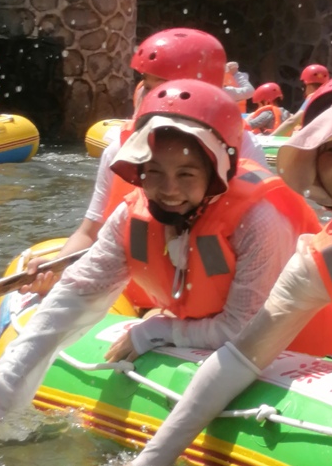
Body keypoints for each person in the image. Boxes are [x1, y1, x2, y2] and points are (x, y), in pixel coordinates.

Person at [0, 78, 320, 438]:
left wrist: (155, 331)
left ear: (216, 171)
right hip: (210, 335)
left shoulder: (259, 220)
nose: (169, 190)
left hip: (305, 355)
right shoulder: (131, 216)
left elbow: (244, 333)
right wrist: (1, 383)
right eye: (154, 171)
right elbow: (76, 293)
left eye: (186, 173)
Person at [124, 71, 332, 466]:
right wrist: (148, 465)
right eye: (331, 149)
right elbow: (240, 358)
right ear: (314, 163)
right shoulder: (321, 260)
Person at [25, 29, 267, 299]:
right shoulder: (121, 150)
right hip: (134, 292)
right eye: (148, 87)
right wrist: (56, 268)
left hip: (215, 299)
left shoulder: (243, 149)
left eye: (162, 87)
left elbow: (259, 243)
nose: (151, 98)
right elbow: (90, 233)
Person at [272, 63, 329, 137]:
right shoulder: (329, 96)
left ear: (305, 84)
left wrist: (270, 138)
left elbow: (292, 121)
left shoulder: (313, 97)